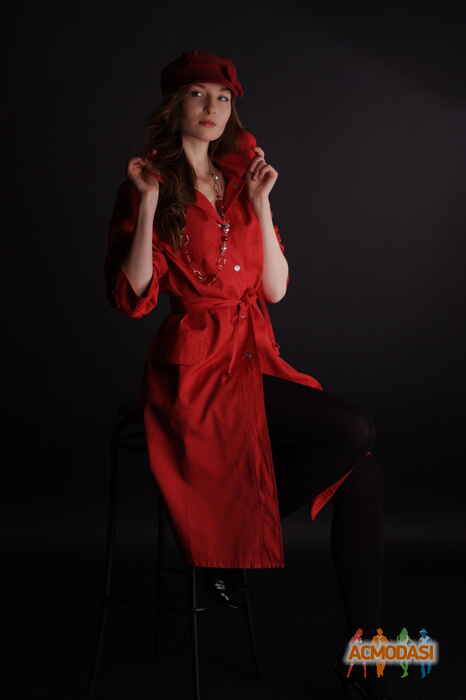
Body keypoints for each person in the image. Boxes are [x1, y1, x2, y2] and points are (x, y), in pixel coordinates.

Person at [104, 50, 389, 699]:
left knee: (363, 469)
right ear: (174, 105)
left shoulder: (241, 181)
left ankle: (370, 652)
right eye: (198, 95)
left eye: (224, 98)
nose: (213, 108)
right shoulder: (148, 182)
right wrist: (147, 205)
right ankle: (225, 546)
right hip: (197, 370)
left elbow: (276, 289)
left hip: (253, 353)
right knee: (353, 429)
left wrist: (261, 204)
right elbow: (134, 296)